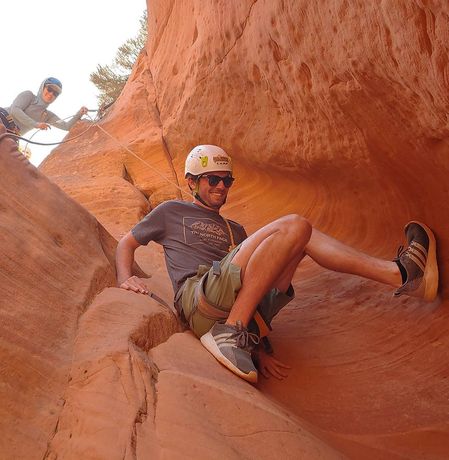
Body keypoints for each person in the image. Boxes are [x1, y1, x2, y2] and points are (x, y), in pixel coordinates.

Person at [116, 145, 439, 383]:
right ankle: (231, 331)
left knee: (301, 238)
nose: (220, 187)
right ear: (191, 182)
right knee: (295, 225)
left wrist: (260, 349)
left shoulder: (236, 231)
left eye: (227, 181)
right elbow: (126, 243)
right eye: (211, 179)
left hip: (243, 308)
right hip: (200, 299)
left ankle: (401, 275)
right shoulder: (171, 211)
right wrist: (124, 278)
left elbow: (254, 280)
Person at [0, 77, 88, 136]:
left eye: (55, 93)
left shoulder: (47, 116)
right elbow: (14, 110)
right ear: (42, 87)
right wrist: (36, 124)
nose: (51, 94)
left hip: (10, 136)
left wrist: (79, 114)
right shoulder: (29, 95)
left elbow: (66, 126)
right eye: (49, 89)